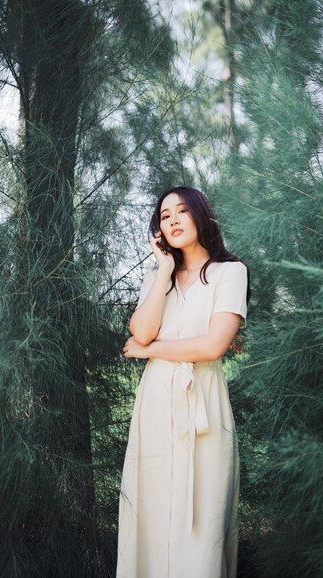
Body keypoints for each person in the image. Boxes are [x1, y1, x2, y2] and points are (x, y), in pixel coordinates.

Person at [116, 186, 251, 578]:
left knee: (203, 511)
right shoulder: (158, 277)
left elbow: (213, 346)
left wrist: (152, 350)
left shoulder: (230, 272)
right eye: (164, 216)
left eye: (181, 211)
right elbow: (140, 332)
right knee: (152, 506)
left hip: (204, 401)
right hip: (155, 403)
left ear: (200, 215)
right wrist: (163, 271)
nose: (172, 220)